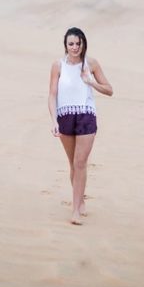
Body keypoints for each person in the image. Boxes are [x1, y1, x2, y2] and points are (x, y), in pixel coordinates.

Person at [48, 27, 113, 225]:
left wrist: (91, 82)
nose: (75, 47)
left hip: (86, 115)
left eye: (78, 43)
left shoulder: (91, 64)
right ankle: (81, 199)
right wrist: (54, 121)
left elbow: (109, 90)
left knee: (80, 163)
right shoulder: (58, 65)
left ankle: (75, 210)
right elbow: (52, 94)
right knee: (73, 165)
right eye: (71, 44)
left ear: (83, 43)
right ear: (65, 45)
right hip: (65, 116)